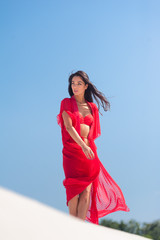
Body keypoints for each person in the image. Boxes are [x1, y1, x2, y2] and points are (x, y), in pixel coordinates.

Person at [57, 70, 129, 224]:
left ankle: (80, 230)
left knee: (86, 193)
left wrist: (87, 147)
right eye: (73, 83)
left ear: (86, 86)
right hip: (72, 152)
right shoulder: (66, 103)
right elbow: (69, 128)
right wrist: (83, 146)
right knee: (73, 190)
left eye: (79, 83)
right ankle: (72, 227)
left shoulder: (93, 108)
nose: (75, 86)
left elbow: (93, 133)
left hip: (89, 154)